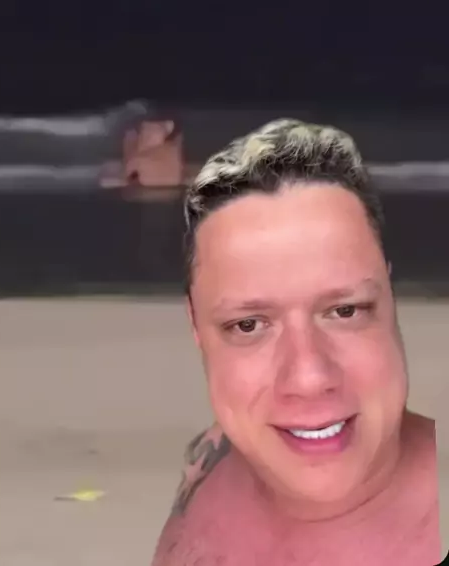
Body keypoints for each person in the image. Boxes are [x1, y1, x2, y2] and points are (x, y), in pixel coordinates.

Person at [151, 119, 441, 565]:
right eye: (249, 325)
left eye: (345, 311)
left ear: (390, 296)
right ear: (197, 327)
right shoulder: (210, 462)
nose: (308, 378)